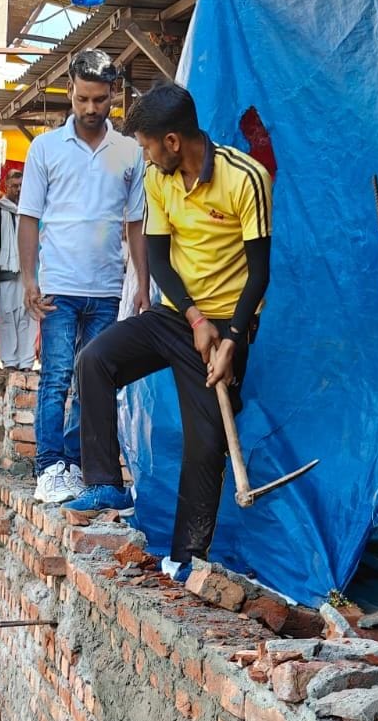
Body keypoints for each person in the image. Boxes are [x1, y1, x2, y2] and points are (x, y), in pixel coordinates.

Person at [68, 82, 273, 580]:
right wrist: (194, 318)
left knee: (206, 442)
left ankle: (187, 558)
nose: (143, 153)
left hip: (230, 322)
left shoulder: (247, 178)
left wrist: (228, 338)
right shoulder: (158, 178)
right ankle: (105, 481)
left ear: (174, 142)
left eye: (146, 144)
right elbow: (158, 258)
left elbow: (260, 270)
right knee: (95, 360)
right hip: (178, 314)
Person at [18, 49, 149, 506]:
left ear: (114, 95)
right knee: (55, 377)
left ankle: (80, 467)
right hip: (58, 286)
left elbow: (136, 225)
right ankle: (50, 467)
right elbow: (29, 217)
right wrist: (29, 280)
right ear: (69, 92)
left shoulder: (130, 151)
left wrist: (141, 285)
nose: (90, 109)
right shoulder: (45, 149)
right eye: (81, 100)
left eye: (99, 100)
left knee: (95, 382)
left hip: (108, 289)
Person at [0, 168, 37, 370]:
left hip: (29, 271)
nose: (18, 190)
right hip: (6, 271)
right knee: (6, 316)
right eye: (14, 186)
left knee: (28, 315)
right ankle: (9, 361)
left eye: (21, 186)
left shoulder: (31, 210)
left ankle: (26, 361)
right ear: (5, 187)